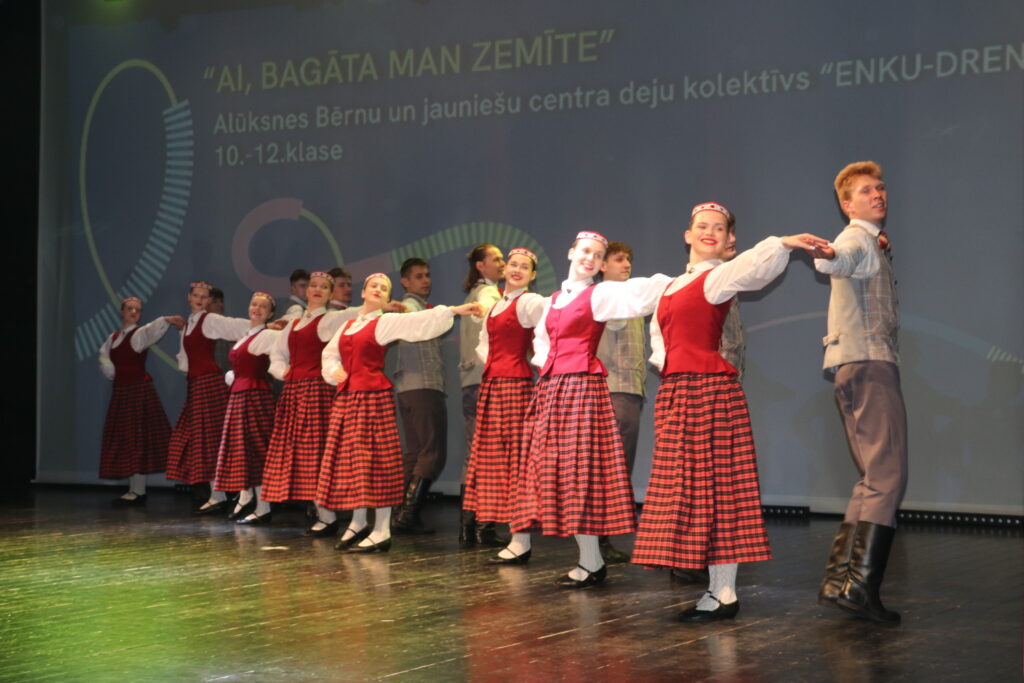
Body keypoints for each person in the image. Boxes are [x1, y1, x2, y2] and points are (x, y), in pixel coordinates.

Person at [627, 202, 829, 622]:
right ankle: (715, 588)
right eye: (703, 226)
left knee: (719, 489)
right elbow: (622, 306)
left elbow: (753, 268)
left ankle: (724, 592)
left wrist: (783, 243)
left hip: (709, 391)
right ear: (687, 234)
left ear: (728, 239)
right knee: (686, 488)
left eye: (719, 228)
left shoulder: (717, 277)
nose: (710, 232)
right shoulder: (667, 286)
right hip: (677, 393)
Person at [509, 231, 671, 587]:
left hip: (581, 388)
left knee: (579, 475)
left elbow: (643, 292)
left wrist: (690, 278)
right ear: (571, 252)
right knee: (558, 474)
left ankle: (591, 562)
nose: (590, 259)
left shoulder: (600, 294)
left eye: (597, 256)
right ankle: (590, 561)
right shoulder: (553, 300)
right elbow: (542, 345)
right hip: (552, 390)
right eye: (585, 251)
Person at [318, 273, 482, 552]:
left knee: (378, 462)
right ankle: (358, 522)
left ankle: (382, 530)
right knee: (355, 463)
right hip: (348, 398)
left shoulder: (384, 322)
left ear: (387, 297)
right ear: (363, 292)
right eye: (373, 286)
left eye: (384, 288)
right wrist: (334, 371)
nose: (378, 290)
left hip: (372, 398)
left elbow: (417, 322)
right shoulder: (348, 325)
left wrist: (454, 311)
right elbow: (330, 354)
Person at [813, 161, 907, 624]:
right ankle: (860, 588)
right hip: (870, 362)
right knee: (888, 475)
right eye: (867, 190)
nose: (878, 194)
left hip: (852, 364)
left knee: (871, 476)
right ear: (848, 204)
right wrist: (829, 254)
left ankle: (839, 583)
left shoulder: (871, 241)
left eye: (880, 187)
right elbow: (840, 257)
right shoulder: (858, 239)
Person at [260, 270, 362, 534]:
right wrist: (283, 372)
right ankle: (322, 513)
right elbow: (276, 355)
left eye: (323, 287)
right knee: (301, 456)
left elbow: (357, 313)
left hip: (316, 394)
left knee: (317, 454)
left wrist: (381, 307)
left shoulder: (329, 319)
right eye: (313, 285)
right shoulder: (293, 324)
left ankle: (327, 515)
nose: (317, 290)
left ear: (330, 294)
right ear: (305, 291)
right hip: (294, 395)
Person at [462, 248, 546, 563]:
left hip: (516, 387)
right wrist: (494, 364)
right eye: (513, 264)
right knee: (496, 460)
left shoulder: (530, 302)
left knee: (517, 462)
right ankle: (513, 535)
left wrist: (538, 362)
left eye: (524, 267)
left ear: (532, 275)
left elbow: (549, 329)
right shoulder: (497, 305)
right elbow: (483, 344)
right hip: (494, 386)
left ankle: (521, 540)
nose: (517, 270)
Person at [166, 281, 251, 515]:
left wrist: (260, 326)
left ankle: (222, 495)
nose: (200, 300)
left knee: (211, 440)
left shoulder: (209, 320)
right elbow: (184, 362)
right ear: (189, 297)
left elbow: (233, 326)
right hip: (196, 385)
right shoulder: (188, 325)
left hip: (209, 385)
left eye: (205, 297)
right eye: (197, 295)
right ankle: (218, 495)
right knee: (201, 441)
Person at [98, 297, 181, 505]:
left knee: (137, 440)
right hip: (122, 392)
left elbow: (151, 330)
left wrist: (166, 319)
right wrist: (110, 370)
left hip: (137, 392)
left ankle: (138, 491)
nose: (134, 312)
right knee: (128, 440)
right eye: (130, 309)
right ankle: (134, 490)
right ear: (122, 312)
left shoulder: (138, 335)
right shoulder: (112, 338)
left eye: (137, 309)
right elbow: (104, 358)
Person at [595, 241, 646, 564]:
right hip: (616, 388)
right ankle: (599, 540)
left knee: (616, 468)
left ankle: (601, 538)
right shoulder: (609, 296)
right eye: (619, 259)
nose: (626, 264)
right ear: (602, 265)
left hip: (627, 388)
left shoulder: (624, 294)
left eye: (628, 259)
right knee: (613, 468)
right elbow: (613, 322)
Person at [391, 257, 448, 535]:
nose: (426, 280)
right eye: (418, 276)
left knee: (416, 452)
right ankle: (407, 514)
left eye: (427, 275)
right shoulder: (412, 308)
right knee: (432, 451)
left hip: (408, 387)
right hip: (422, 386)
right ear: (405, 282)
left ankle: (399, 512)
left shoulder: (417, 308)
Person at [212, 292, 279, 524]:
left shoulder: (267, 335)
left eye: (263, 307)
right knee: (245, 451)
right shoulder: (246, 335)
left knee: (257, 450)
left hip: (254, 396)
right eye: (254, 304)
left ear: (270, 313)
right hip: (240, 395)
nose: (257, 309)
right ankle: (250, 499)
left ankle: (263, 507)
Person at [456, 244, 506, 547]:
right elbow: (486, 312)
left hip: (471, 381)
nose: (502, 263)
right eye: (496, 259)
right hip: (484, 382)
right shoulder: (488, 294)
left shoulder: (475, 293)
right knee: (488, 453)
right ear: (480, 265)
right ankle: (481, 525)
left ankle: (470, 526)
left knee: (475, 452)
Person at [207, 288, 233, 374]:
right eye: (214, 302)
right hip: (207, 379)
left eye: (221, 301)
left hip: (227, 379)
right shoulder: (199, 328)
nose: (220, 305)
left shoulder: (229, 326)